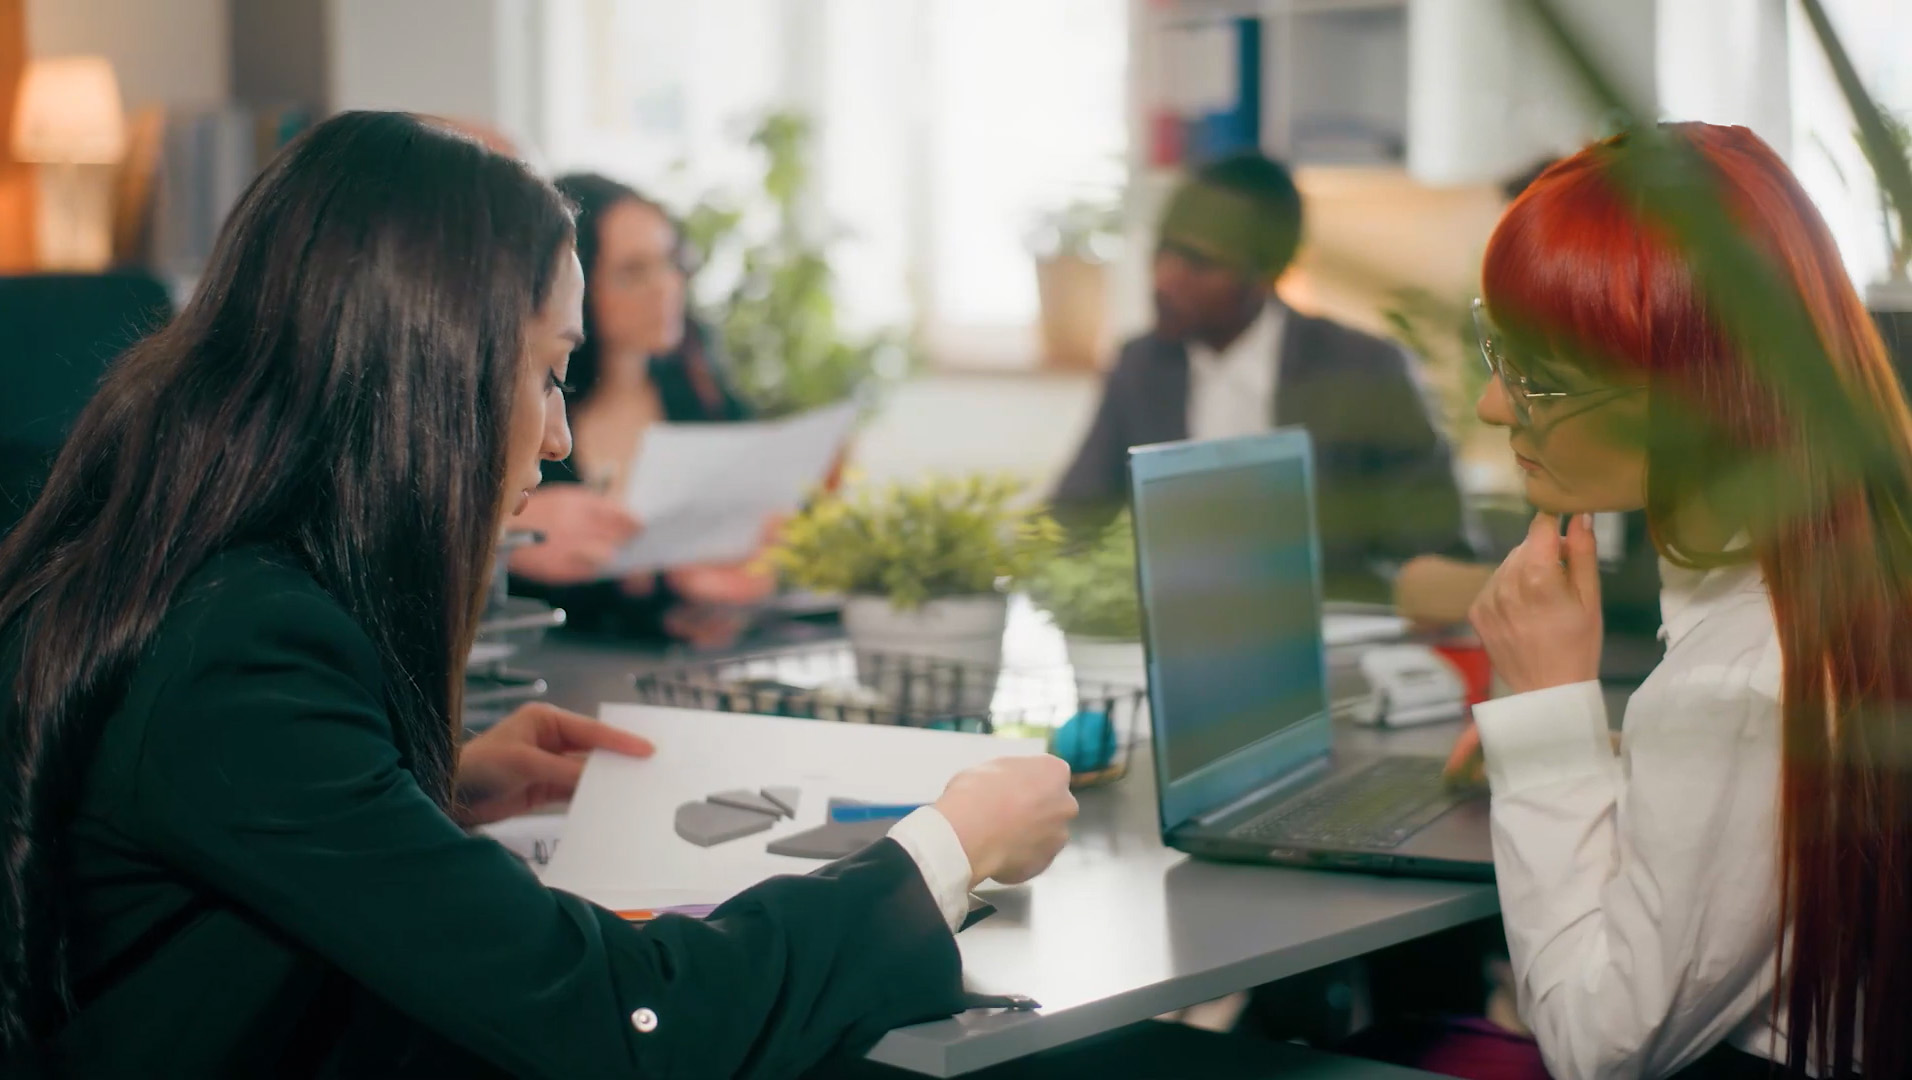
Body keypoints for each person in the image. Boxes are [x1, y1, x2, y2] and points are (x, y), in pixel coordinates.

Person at [0, 112, 1079, 1078]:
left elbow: (217, 832)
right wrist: (948, 847)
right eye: (548, 372)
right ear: (428, 371)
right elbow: (629, 1019)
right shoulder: (245, 652)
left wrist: (419, 793)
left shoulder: (179, 559)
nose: (556, 435)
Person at [1447, 123, 1912, 1078]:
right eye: (1498, 347)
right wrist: (1628, 764)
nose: (1497, 407)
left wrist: (1542, 712)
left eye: (1535, 374)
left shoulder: (1741, 683)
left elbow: (1596, 1049)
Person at [1051, 152, 1479, 600]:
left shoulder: (1362, 368)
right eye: (1163, 251)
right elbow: (1072, 520)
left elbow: (1439, 550)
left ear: (1265, 274)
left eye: (1198, 263)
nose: (1164, 279)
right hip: (1186, 632)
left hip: (1334, 637)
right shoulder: (1142, 366)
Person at [509, 173, 771, 649]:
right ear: (575, 281)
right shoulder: (533, 410)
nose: (666, 288)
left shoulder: (702, 395)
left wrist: (705, 602)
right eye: (633, 272)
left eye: (671, 262)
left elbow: (742, 560)